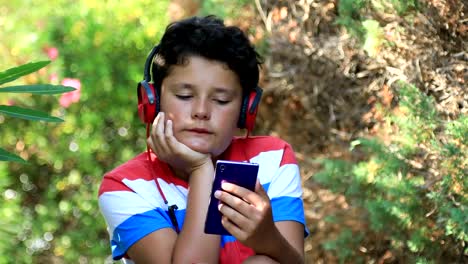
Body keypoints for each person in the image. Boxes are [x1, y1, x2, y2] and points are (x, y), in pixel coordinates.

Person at [98, 15, 308, 263]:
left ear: (246, 110)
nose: (201, 111)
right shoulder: (125, 186)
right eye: (185, 95)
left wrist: (267, 237)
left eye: (221, 100)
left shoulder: (273, 159)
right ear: (153, 102)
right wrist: (201, 170)